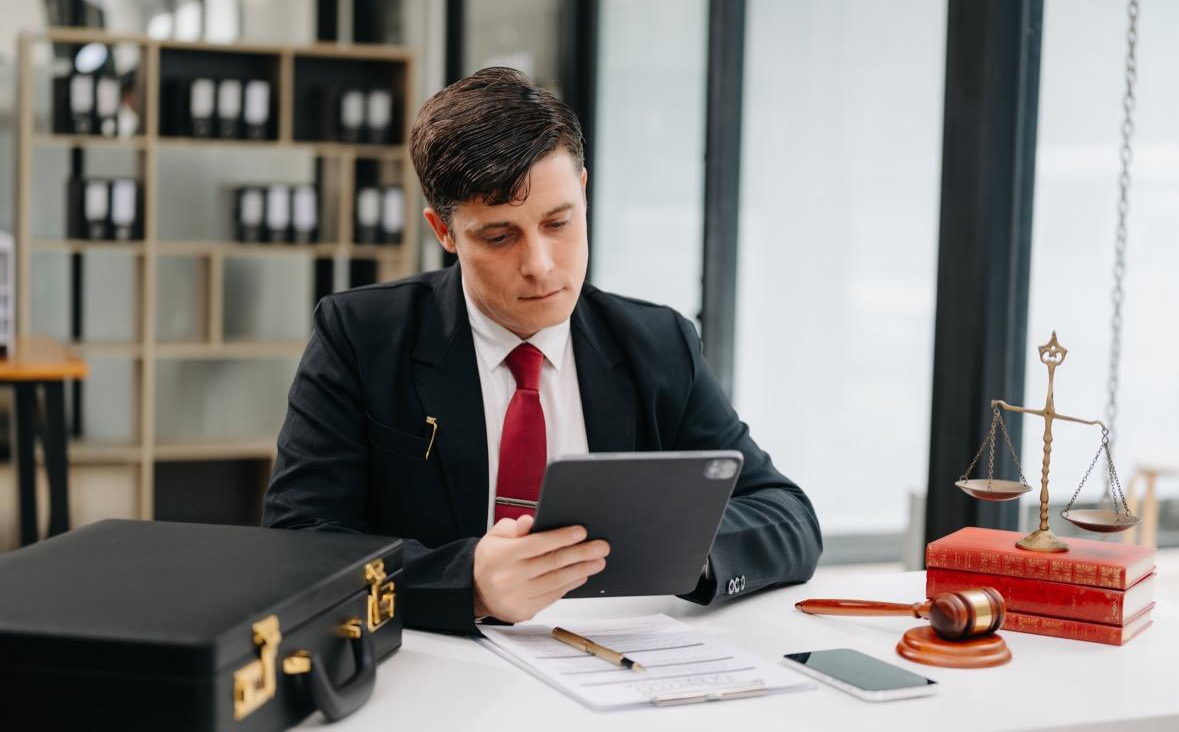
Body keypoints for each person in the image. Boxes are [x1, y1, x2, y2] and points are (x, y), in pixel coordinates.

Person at [262, 67, 821, 633]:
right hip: (436, 667)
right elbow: (298, 545)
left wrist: (688, 548)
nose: (540, 265)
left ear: (583, 191)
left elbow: (788, 516)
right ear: (445, 232)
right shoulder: (362, 337)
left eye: (558, 223)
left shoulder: (658, 343)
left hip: (612, 661)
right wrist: (466, 583)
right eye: (499, 237)